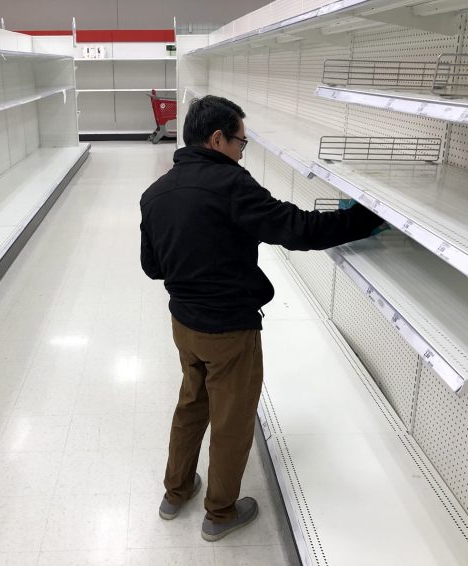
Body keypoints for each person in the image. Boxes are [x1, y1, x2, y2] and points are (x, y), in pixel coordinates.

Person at [139, 95, 384, 542]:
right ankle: (220, 512)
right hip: (229, 329)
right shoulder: (231, 186)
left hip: (184, 326)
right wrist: (364, 219)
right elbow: (296, 229)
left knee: (192, 404)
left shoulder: (156, 193)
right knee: (232, 421)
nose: (240, 151)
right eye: (240, 143)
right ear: (217, 139)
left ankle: (175, 492)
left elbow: (153, 267)